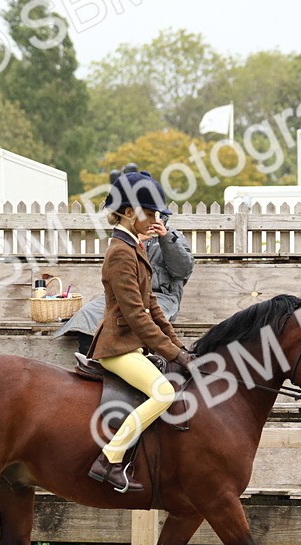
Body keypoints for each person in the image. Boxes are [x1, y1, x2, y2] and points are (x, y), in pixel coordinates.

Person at [85, 170, 194, 493]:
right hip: (117, 347)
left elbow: (154, 307)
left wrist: (181, 347)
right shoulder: (120, 252)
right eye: (151, 213)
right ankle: (109, 460)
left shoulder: (135, 247)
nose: (157, 219)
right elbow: (136, 316)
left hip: (131, 346)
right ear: (130, 213)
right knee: (164, 393)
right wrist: (173, 354)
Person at [57, 164, 195, 355]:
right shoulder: (125, 241)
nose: (151, 220)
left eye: (154, 215)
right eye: (148, 215)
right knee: (88, 314)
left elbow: (183, 270)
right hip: (129, 296)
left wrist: (165, 239)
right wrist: (136, 242)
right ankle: (90, 361)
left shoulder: (172, 236)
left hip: (161, 297)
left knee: (145, 317)